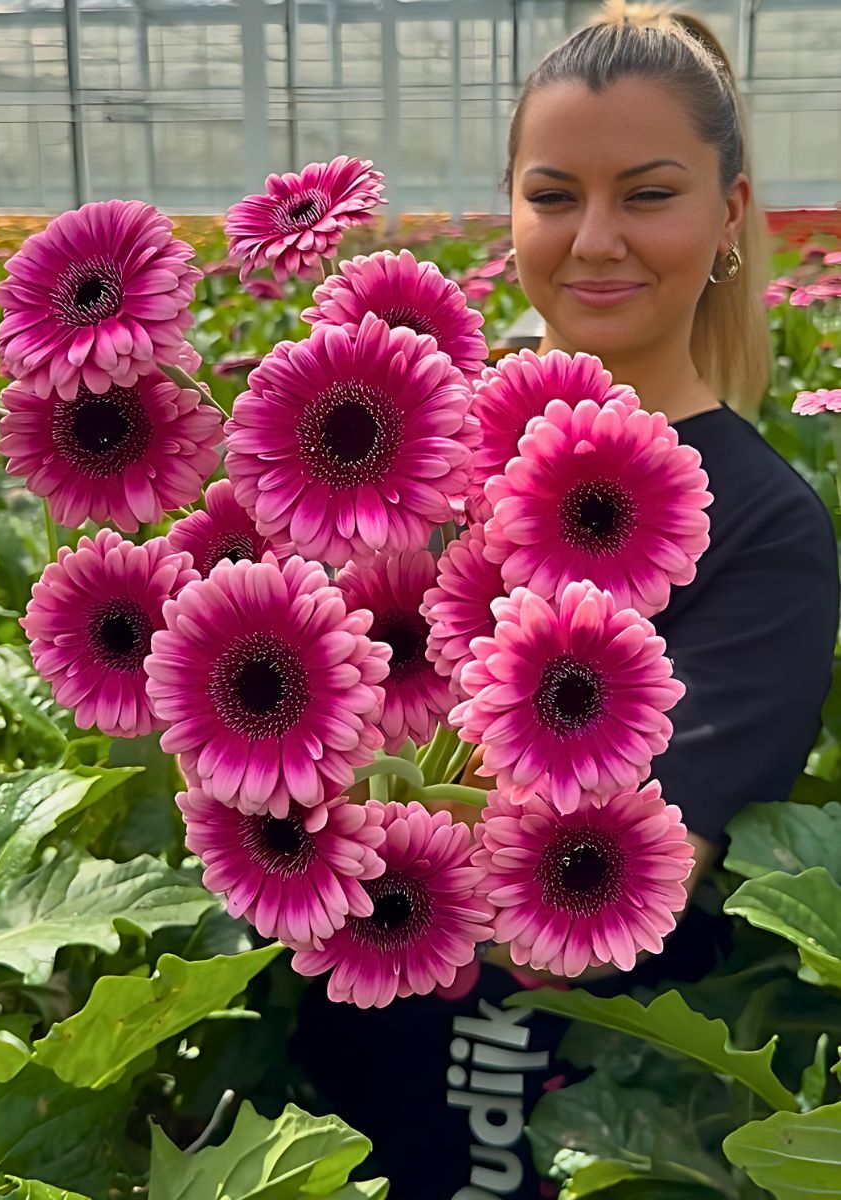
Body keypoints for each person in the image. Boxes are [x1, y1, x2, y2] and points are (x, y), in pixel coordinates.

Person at [290, 3, 840, 1197]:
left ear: (729, 215)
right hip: (326, 1071)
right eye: (554, 195)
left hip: (549, 1099)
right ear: (512, 207)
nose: (595, 240)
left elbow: (630, 880)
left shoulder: (765, 528)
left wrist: (340, 822)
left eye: (648, 194)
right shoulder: (413, 459)